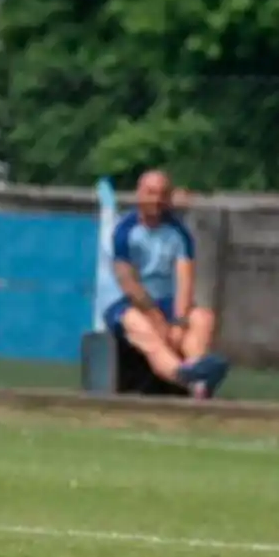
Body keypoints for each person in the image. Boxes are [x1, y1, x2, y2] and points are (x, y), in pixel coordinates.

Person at [97, 169, 228, 397]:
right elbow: (129, 284)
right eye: (150, 193)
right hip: (125, 303)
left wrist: (178, 321)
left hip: (166, 301)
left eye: (161, 194)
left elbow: (185, 279)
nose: (156, 200)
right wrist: (157, 319)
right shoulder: (124, 231)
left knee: (202, 318)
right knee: (143, 327)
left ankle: (197, 373)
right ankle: (186, 378)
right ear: (139, 194)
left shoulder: (179, 232)